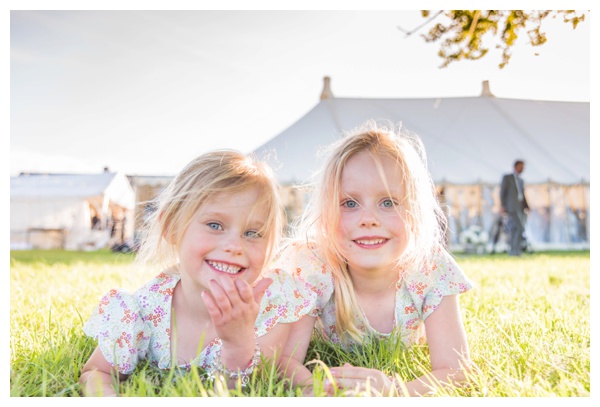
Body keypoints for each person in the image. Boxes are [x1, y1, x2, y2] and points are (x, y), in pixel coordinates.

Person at [274, 121, 473, 396]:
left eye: (388, 202)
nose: (369, 219)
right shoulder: (314, 265)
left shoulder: (430, 268)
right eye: (350, 203)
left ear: (414, 211)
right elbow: (284, 359)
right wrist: (318, 389)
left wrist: (396, 391)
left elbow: (457, 370)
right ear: (328, 210)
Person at [79, 150, 292, 396]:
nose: (235, 246)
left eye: (252, 233)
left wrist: (238, 343)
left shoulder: (271, 308)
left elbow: (242, 391)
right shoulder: (141, 312)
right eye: (215, 225)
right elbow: (98, 373)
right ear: (172, 228)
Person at [500, 159, 529, 256]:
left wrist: (527, 206)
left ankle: (513, 251)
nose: (522, 169)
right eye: (521, 167)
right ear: (515, 167)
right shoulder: (507, 178)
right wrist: (503, 205)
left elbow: (522, 195)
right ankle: (516, 250)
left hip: (520, 208)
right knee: (520, 228)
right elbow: (502, 192)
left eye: (523, 167)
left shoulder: (521, 180)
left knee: (515, 229)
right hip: (511, 208)